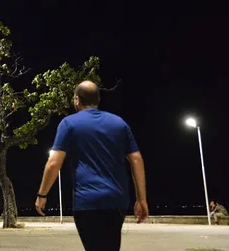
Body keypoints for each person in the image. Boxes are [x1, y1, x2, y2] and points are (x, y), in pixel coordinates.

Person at [35, 80, 148, 251]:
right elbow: (136, 159)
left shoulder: (69, 124)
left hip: (87, 201)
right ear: (98, 99)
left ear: (77, 100)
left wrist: (42, 194)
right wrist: (141, 199)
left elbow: (54, 163)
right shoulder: (119, 123)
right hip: (116, 201)